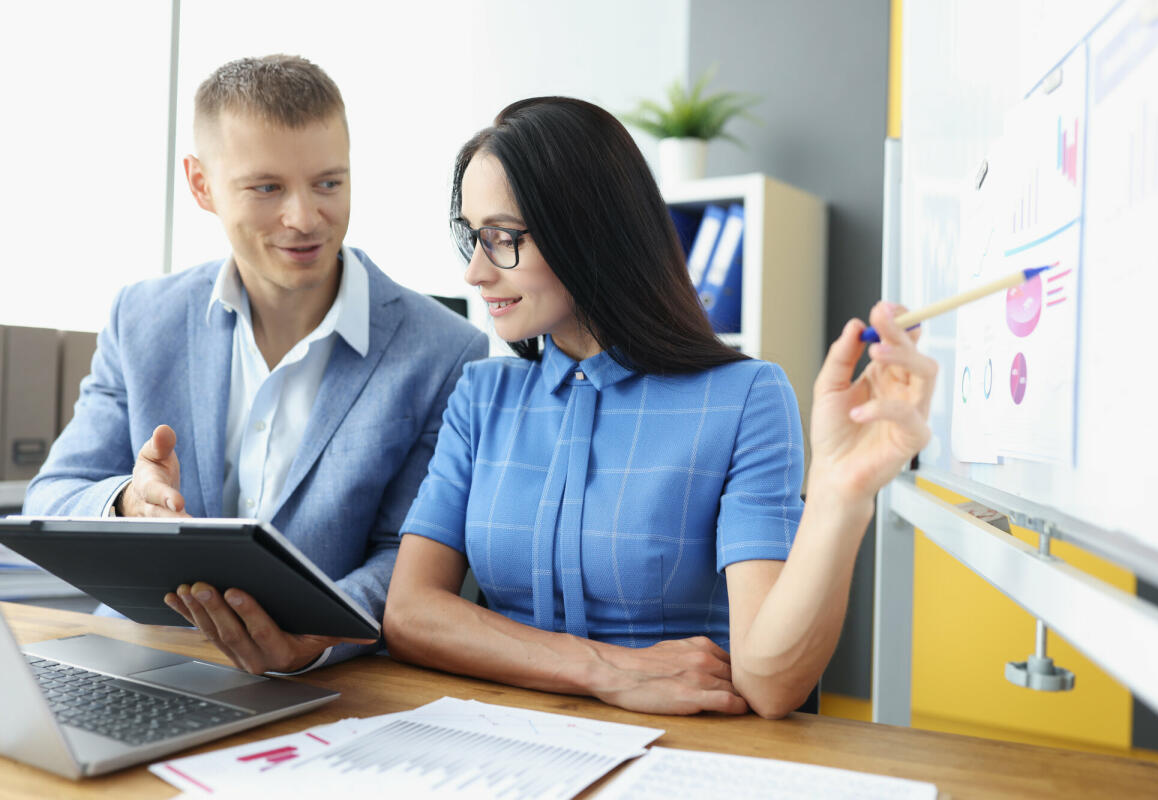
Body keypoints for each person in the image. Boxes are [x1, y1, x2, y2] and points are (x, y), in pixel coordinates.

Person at [383, 97, 935, 718]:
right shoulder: (481, 396)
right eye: (472, 237)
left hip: (680, 751)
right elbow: (410, 614)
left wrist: (839, 493)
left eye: (503, 238)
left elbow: (773, 685)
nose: (476, 272)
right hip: (503, 742)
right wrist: (603, 669)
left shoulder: (746, 396)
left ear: (588, 232)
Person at [23, 55, 488, 675]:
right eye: (267, 188)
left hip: (322, 690)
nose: (304, 218)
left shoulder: (443, 351)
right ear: (201, 185)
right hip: (139, 663)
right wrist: (130, 502)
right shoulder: (142, 318)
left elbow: (406, 563)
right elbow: (51, 497)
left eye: (328, 183)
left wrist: (316, 637)